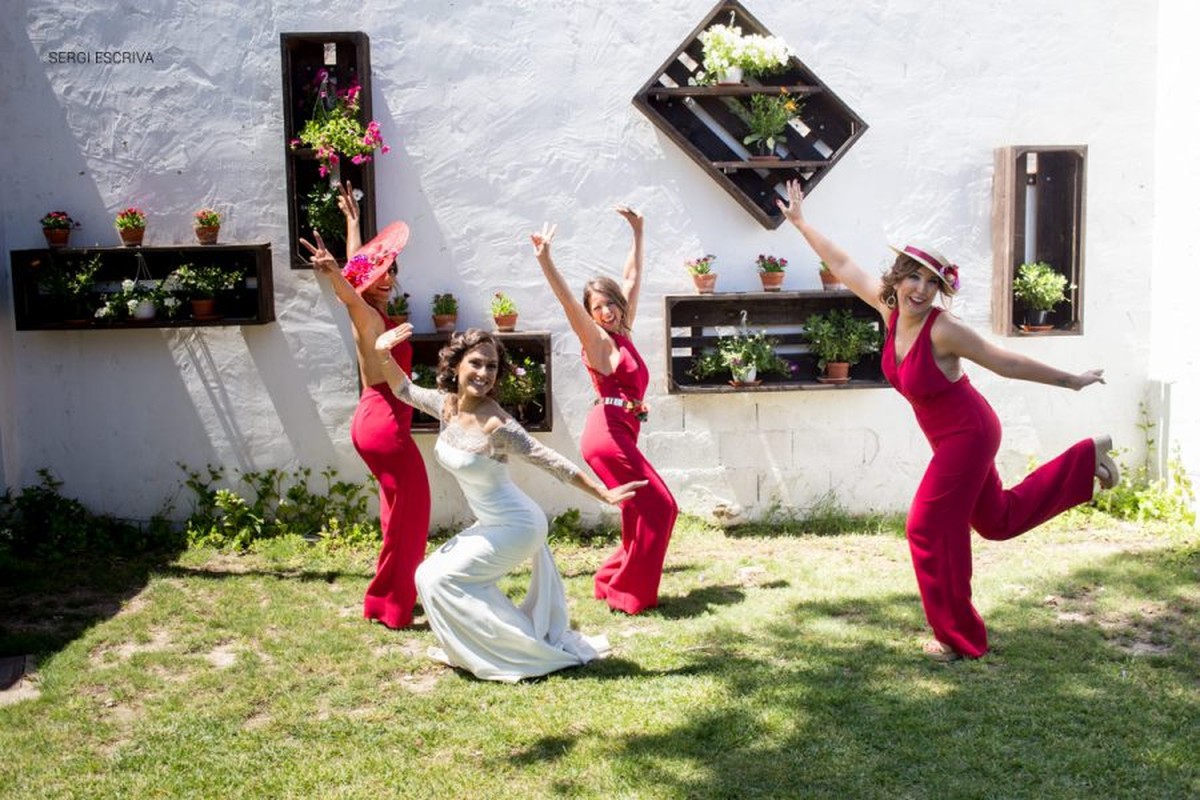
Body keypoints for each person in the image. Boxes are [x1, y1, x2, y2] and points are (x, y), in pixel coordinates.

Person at [777, 179, 1120, 661]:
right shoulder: (889, 310)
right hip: (949, 438)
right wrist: (801, 223)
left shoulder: (944, 330)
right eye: (913, 278)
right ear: (897, 279)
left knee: (927, 526)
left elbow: (1005, 362)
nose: (920, 289)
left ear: (940, 290)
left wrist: (1072, 380)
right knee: (997, 520)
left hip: (970, 434)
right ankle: (1086, 460)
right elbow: (843, 264)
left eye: (932, 282)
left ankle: (957, 637)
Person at [372, 326, 646, 682]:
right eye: (476, 363)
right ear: (456, 365)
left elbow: (548, 459)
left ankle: (520, 652)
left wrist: (603, 494)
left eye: (492, 366)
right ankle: (471, 650)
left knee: (443, 579)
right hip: (490, 523)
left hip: (518, 526)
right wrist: (382, 353)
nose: (484, 373)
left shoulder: (497, 423)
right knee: (427, 575)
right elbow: (403, 389)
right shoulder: (446, 405)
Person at [528, 209, 679, 615]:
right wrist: (546, 261)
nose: (607, 311)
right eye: (598, 307)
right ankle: (628, 592)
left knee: (637, 511)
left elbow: (631, 277)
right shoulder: (597, 341)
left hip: (621, 430)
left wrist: (639, 231)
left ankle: (610, 580)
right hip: (607, 435)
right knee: (661, 507)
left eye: (611, 303)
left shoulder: (622, 331)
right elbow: (566, 302)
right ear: (590, 313)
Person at [300, 183, 431, 630]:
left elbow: (358, 274)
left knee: (397, 513)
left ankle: (386, 598)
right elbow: (350, 291)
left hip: (375, 417)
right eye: (381, 274)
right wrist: (333, 273)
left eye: (391, 270)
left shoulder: (373, 310)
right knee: (413, 512)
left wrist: (352, 224)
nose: (387, 279)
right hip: (383, 421)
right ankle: (392, 603)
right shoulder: (368, 315)